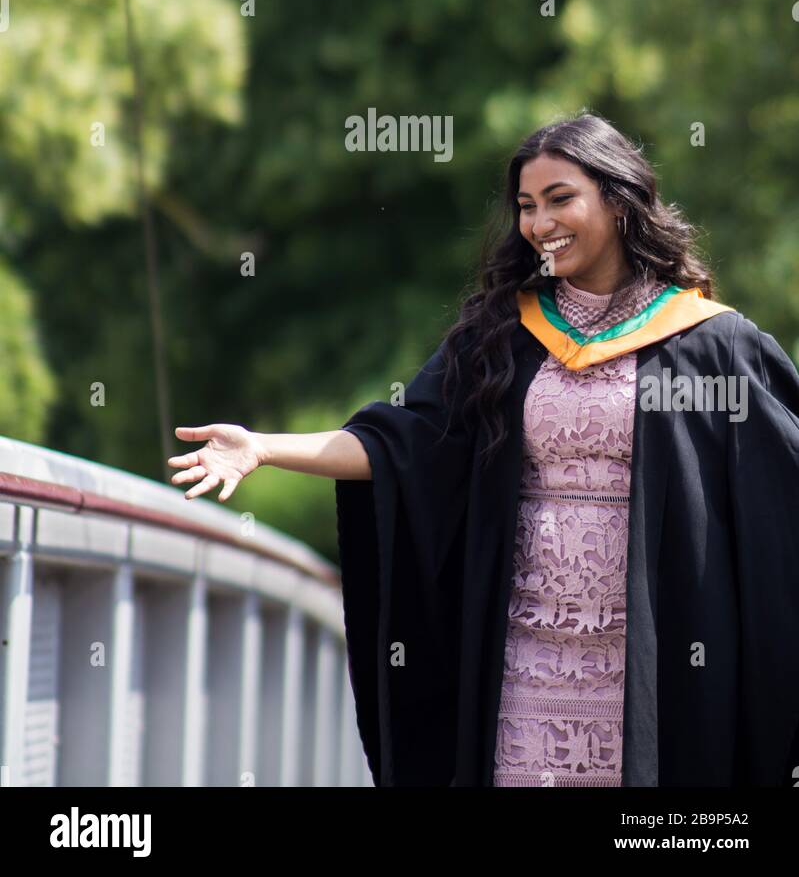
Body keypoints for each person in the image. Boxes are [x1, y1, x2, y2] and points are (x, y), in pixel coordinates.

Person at [166, 111, 799, 788]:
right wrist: (261, 448)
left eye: (560, 199)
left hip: (659, 671)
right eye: (526, 206)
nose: (538, 223)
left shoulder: (711, 346)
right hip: (525, 673)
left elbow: (780, 496)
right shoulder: (502, 336)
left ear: (617, 201)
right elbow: (400, 443)